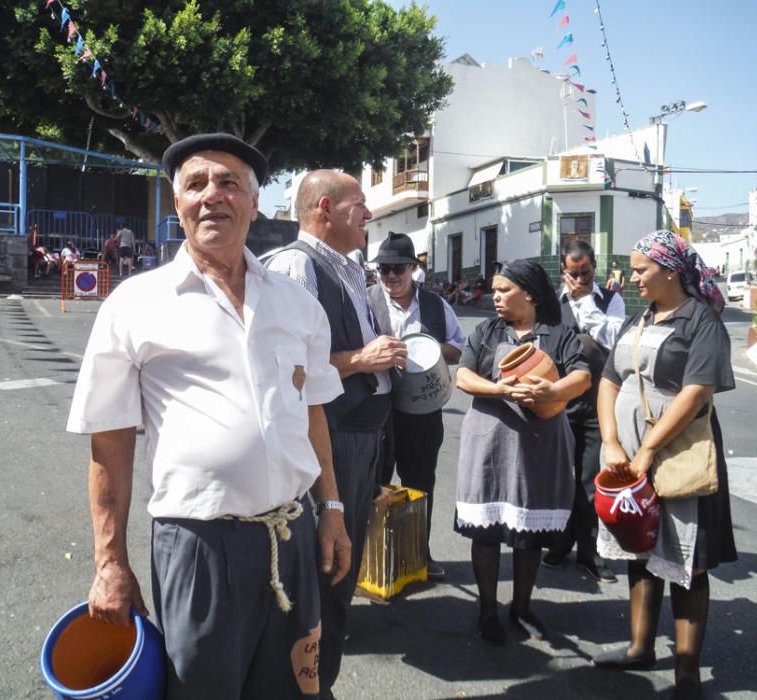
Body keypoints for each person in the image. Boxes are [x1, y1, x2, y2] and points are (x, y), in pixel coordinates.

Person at [67, 134, 351, 699]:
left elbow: (311, 411)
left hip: (290, 538)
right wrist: (109, 562)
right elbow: (111, 441)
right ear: (178, 205)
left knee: (294, 691)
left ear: (253, 201)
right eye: (195, 184)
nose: (211, 196)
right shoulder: (135, 303)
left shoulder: (297, 304)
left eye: (228, 183)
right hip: (196, 547)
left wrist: (334, 509)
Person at [266, 170, 407, 699]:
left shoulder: (349, 267)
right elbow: (289, 368)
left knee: (342, 569)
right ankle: (311, 683)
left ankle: (320, 676)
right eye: (360, 205)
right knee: (329, 564)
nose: (369, 214)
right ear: (325, 208)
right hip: (335, 437)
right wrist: (361, 359)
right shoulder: (296, 265)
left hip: (365, 436)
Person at [592, 230, 736, 700]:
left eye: (641, 270)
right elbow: (611, 379)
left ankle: (688, 672)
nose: (632, 278)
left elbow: (696, 392)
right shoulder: (641, 317)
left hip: (675, 452)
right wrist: (613, 441)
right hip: (629, 450)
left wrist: (648, 448)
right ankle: (639, 648)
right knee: (640, 547)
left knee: (686, 560)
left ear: (671, 270)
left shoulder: (702, 322)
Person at [454, 260, 590, 645]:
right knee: (487, 532)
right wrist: (500, 390)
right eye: (494, 291)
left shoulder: (558, 333)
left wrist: (553, 392)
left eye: (503, 291)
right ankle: (486, 609)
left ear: (528, 293)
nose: (495, 297)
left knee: (528, 533)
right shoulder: (486, 331)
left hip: (539, 445)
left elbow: (582, 376)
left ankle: (522, 607)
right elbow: (463, 376)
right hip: (489, 442)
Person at [367, 232, 465, 580]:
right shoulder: (366, 301)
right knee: (373, 481)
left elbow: (458, 348)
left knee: (420, 483)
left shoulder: (437, 305)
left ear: (412, 269)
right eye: (383, 270)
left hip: (423, 410)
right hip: (376, 409)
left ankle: (418, 553)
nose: (390, 277)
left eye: (397, 269)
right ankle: (371, 556)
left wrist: (428, 350)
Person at [543, 239, 625, 583]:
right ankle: (560, 543)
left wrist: (587, 305)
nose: (579, 279)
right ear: (563, 271)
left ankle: (591, 554)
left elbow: (613, 339)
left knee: (590, 480)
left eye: (586, 273)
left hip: (595, 406)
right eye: (573, 273)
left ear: (594, 269)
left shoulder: (610, 301)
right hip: (560, 404)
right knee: (560, 478)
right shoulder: (552, 305)